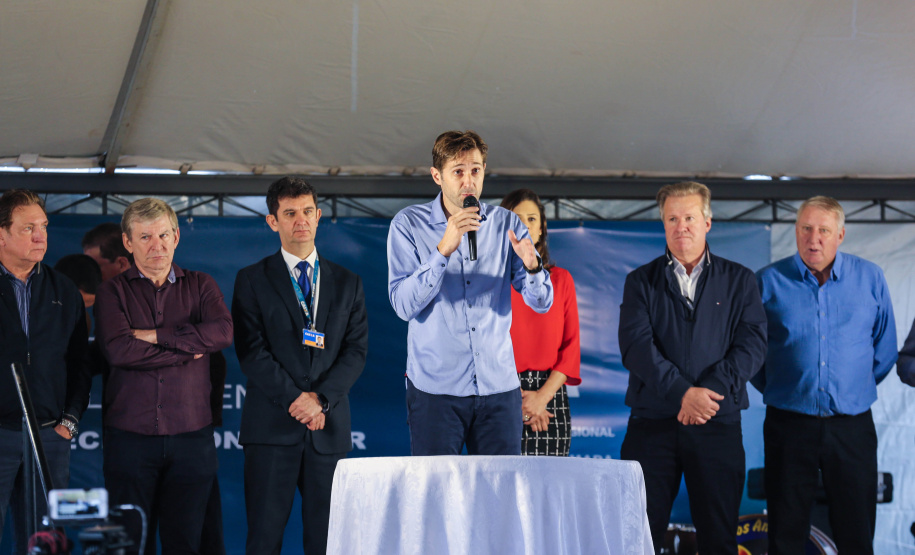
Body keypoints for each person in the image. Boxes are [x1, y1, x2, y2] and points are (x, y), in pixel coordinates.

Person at [618, 181, 767, 555]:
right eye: (672, 218)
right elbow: (636, 347)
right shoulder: (640, 282)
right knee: (637, 536)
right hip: (652, 425)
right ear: (663, 223)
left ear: (708, 222)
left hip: (717, 423)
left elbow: (752, 345)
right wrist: (683, 393)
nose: (680, 226)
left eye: (689, 217)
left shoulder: (740, 280)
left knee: (719, 538)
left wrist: (708, 394)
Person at [387, 130, 553, 456]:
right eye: (458, 171)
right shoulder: (408, 224)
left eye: (475, 170)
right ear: (437, 176)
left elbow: (541, 303)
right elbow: (404, 306)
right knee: (438, 496)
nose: (468, 181)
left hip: (499, 388)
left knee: (500, 496)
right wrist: (442, 252)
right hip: (436, 391)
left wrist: (533, 266)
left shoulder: (508, 224)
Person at [754, 196, 896, 555]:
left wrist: (852, 387)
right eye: (805, 228)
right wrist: (784, 388)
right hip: (788, 424)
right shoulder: (768, 281)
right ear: (796, 231)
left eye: (823, 230)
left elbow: (885, 348)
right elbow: (752, 353)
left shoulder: (870, 278)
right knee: (785, 530)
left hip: (851, 425)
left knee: (856, 529)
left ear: (840, 235)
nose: (813, 238)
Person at [233, 177, 368, 555]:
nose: (301, 220)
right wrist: (298, 400)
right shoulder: (251, 280)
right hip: (271, 430)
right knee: (263, 540)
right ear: (272, 221)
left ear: (319, 215)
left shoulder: (347, 282)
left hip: (328, 431)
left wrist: (320, 400)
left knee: (328, 542)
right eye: (290, 213)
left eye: (307, 211)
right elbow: (252, 352)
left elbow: (356, 351)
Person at [94, 198, 233, 555]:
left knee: (187, 542)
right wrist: (187, 347)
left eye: (163, 235)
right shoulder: (112, 291)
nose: (156, 245)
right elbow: (119, 350)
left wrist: (155, 335)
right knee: (127, 544)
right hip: (129, 438)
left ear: (176, 236)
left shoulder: (201, 285)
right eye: (145, 237)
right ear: (128, 242)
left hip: (191, 436)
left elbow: (221, 333)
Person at [0, 190, 92, 554]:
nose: (41, 236)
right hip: (0, 433)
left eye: (44, 227)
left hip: (50, 437)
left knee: (47, 542)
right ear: (1, 234)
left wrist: (69, 421)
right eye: (28, 228)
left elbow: (80, 362)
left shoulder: (63, 289)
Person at [500, 189, 580, 456]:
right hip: (500, 393)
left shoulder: (561, 280)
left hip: (550, 397)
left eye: (531, 219)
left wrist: (540, 399)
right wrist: (520, 401)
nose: (524, 226)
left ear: (543, 227)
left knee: (548, 494)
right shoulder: (493, 282)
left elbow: (571, 348)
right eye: (516, 219)